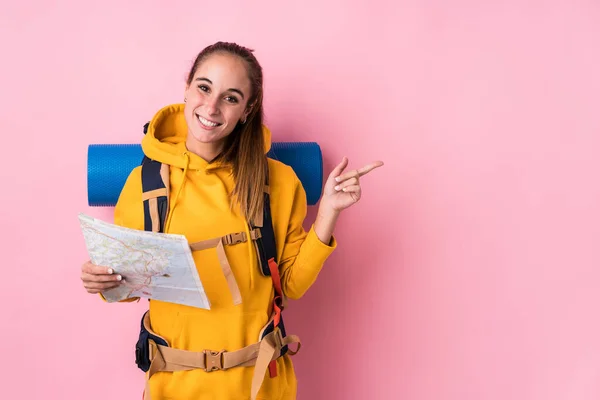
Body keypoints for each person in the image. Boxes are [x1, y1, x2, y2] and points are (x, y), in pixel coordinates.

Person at [80, 41, 383, 400]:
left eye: (231, 97)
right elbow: (128, 288)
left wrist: (329, 211)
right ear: (187, 88)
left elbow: (291, 285)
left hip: (258, 387)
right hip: (174, 389)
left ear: (247, 109)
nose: (211, 106)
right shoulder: (145, 185)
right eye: (204, 88)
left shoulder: (278, 182)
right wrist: (102, 281)